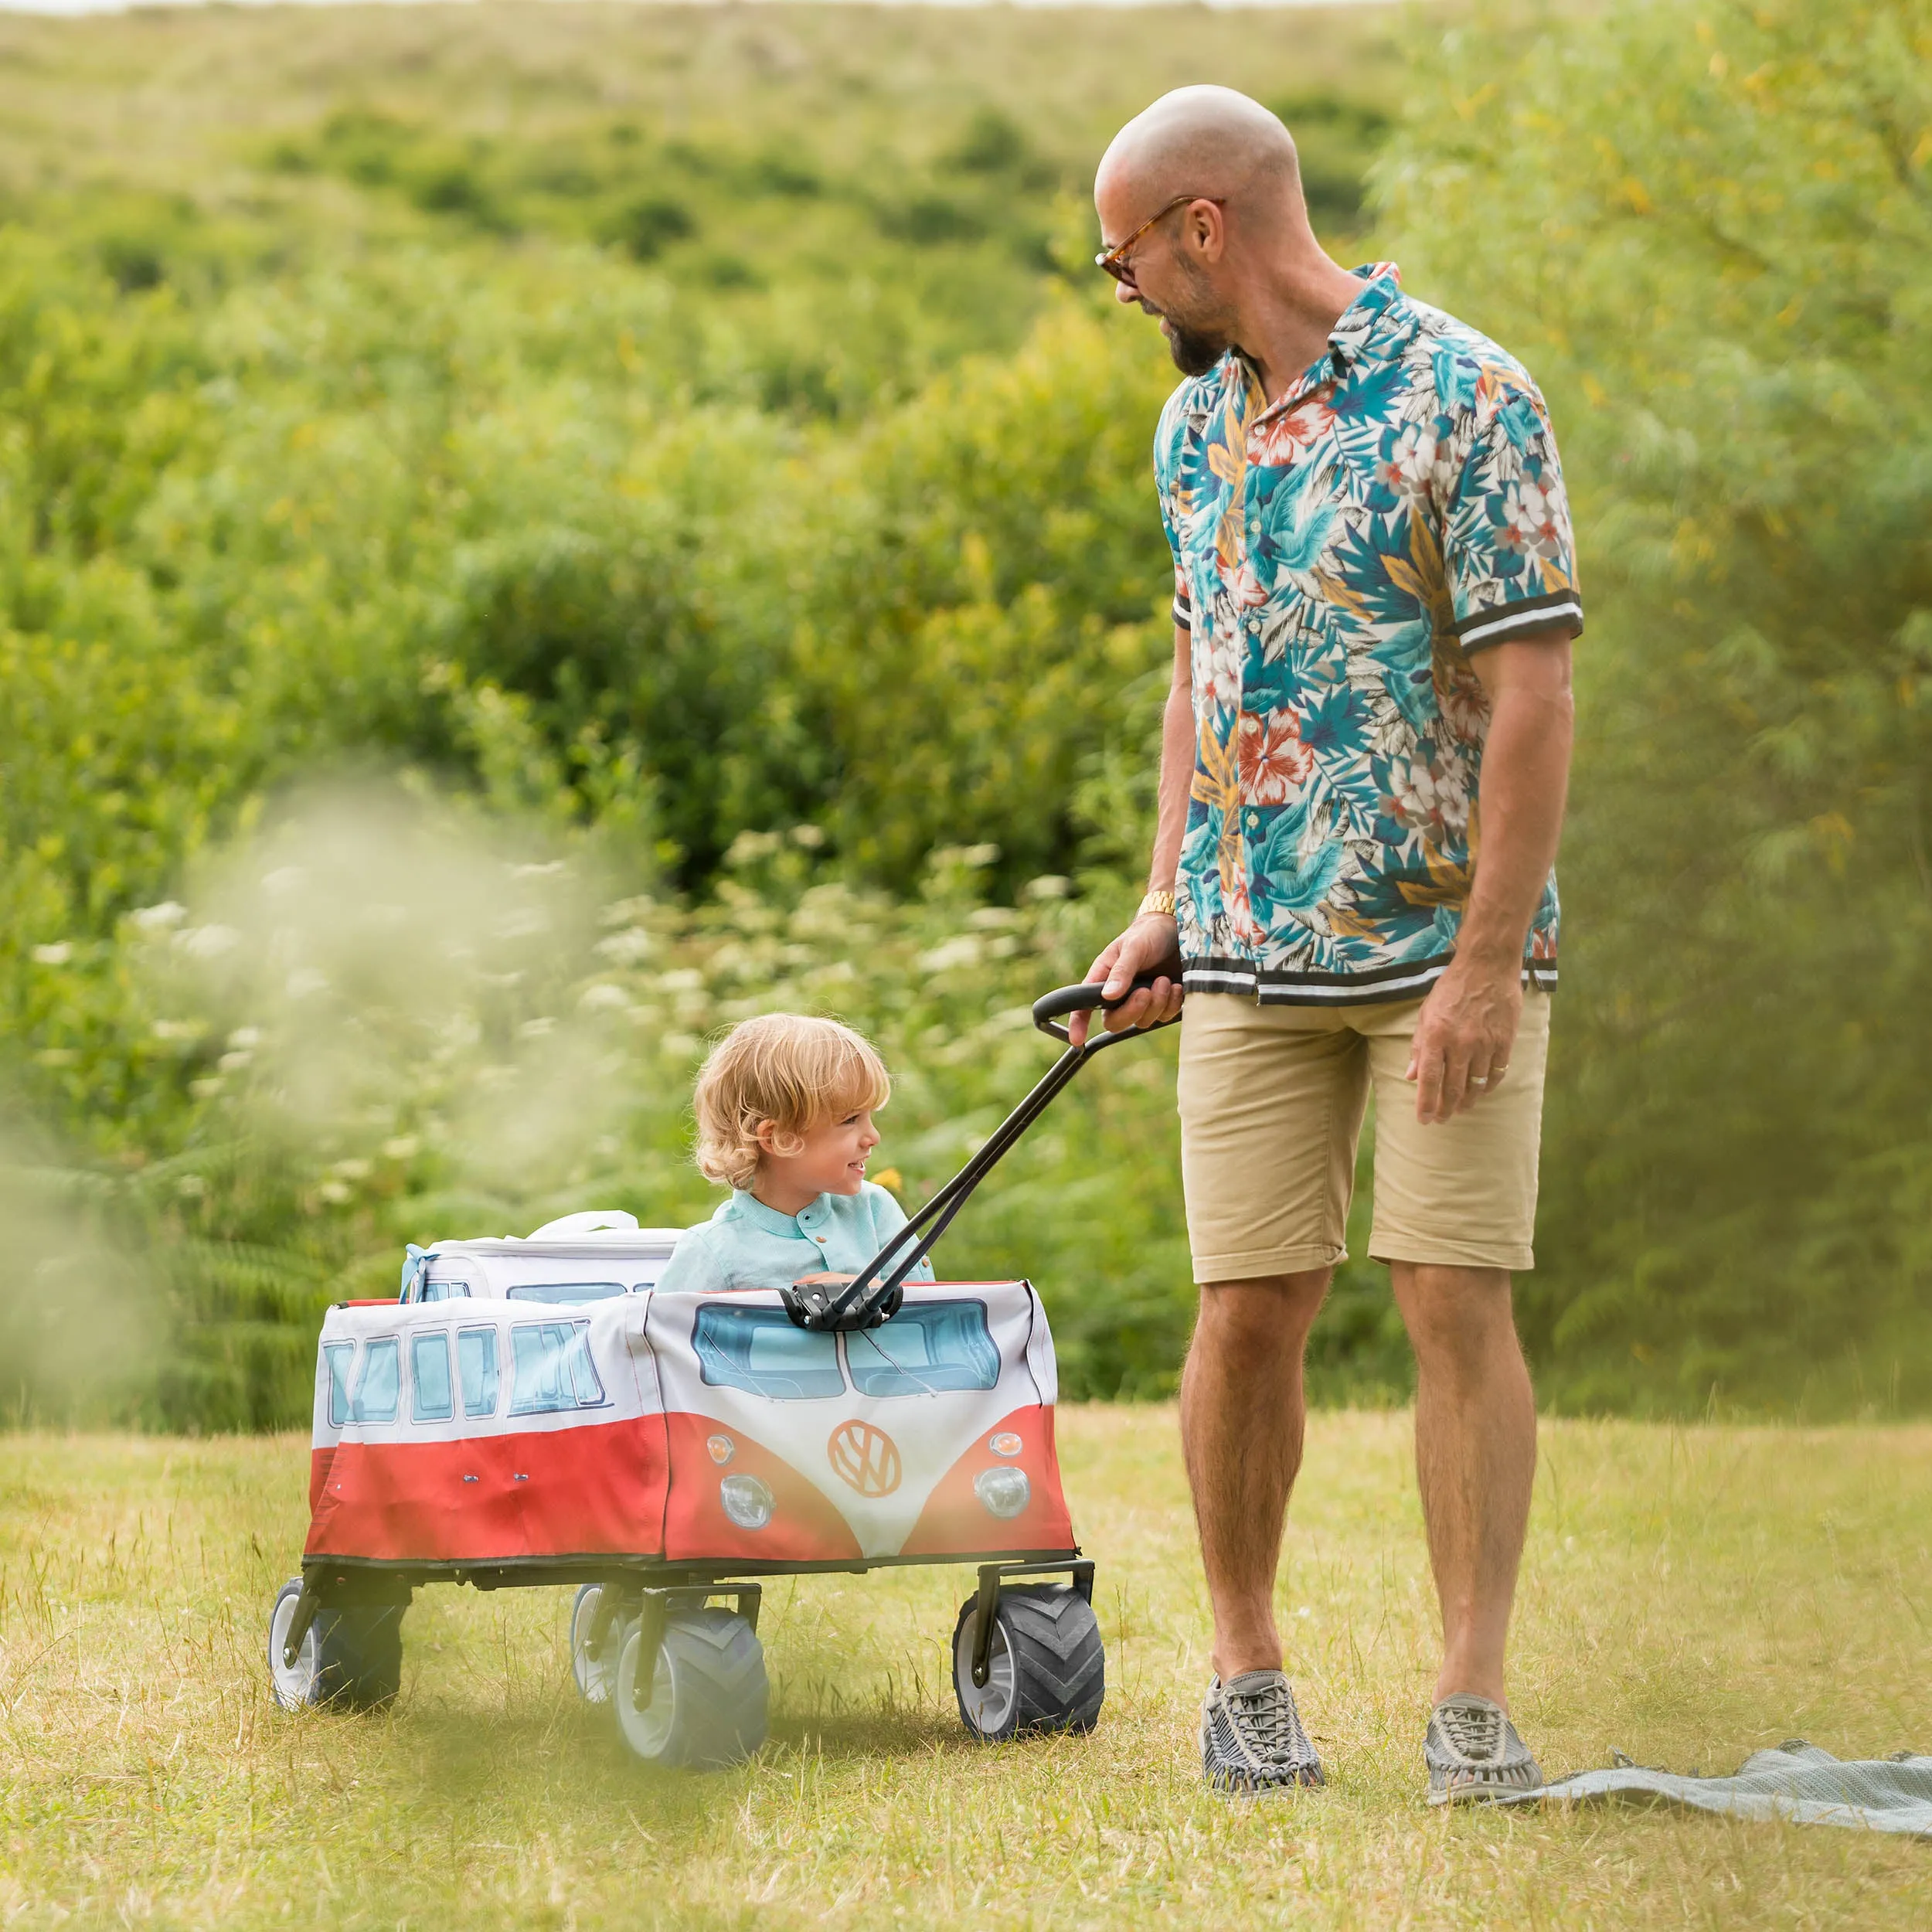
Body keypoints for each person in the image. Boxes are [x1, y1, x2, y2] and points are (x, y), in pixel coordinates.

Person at [1076, 86, 1580, 1803]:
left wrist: (1482, 961)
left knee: (1451, 1299)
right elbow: (1195, 669)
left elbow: (1533, 690)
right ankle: (1244, 1671)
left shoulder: (1466, 394)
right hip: (1240, 954)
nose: (1120, 285)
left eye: (1121, 254)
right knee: (1245, 1309)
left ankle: (1469, 1703)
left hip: (1441, 953)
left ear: (1200, 228)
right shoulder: (1188, 432)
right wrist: (1160, 901)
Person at [655, 1013, 934, 1296]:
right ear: (777, 1138)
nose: (874, 1137)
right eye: (850, 1120)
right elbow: (661, 1333)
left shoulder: (875, 1212)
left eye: (870, 1117)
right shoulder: (713, 1252)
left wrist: (873, 1293)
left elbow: (934, 1317)